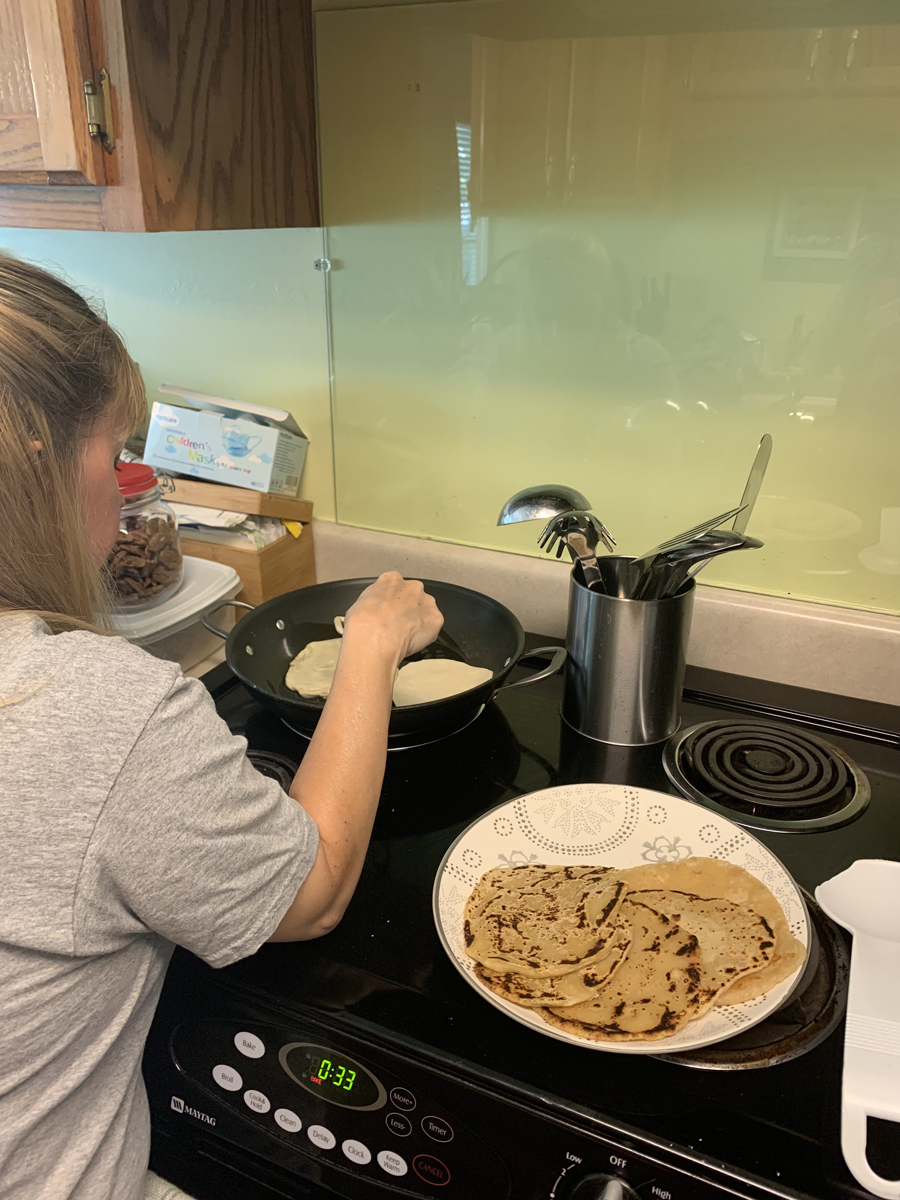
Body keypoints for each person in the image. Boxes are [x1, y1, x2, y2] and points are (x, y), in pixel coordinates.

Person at [0, 255, 443, 1200]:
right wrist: (368, 645)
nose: (127, 498)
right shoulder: (85, 708)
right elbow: (312, 892)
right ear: (35, 464)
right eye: (112, 454)